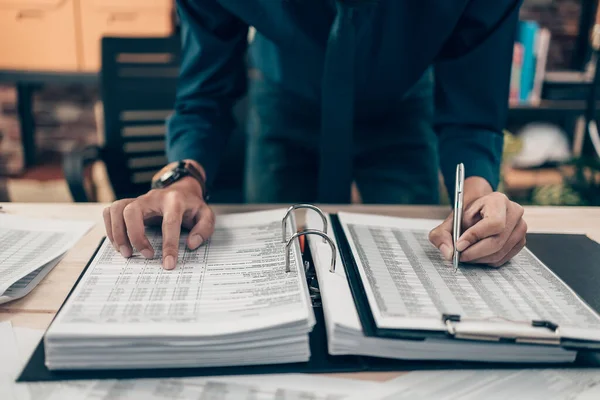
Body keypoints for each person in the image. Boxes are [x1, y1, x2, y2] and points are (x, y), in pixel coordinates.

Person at [103, 0, 527, 271]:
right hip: (286, 96)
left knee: (426, 257)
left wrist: (474, 199)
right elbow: (204, 91)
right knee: (276, 260)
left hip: (402, 99)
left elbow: (473, 102)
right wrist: (182, 180)